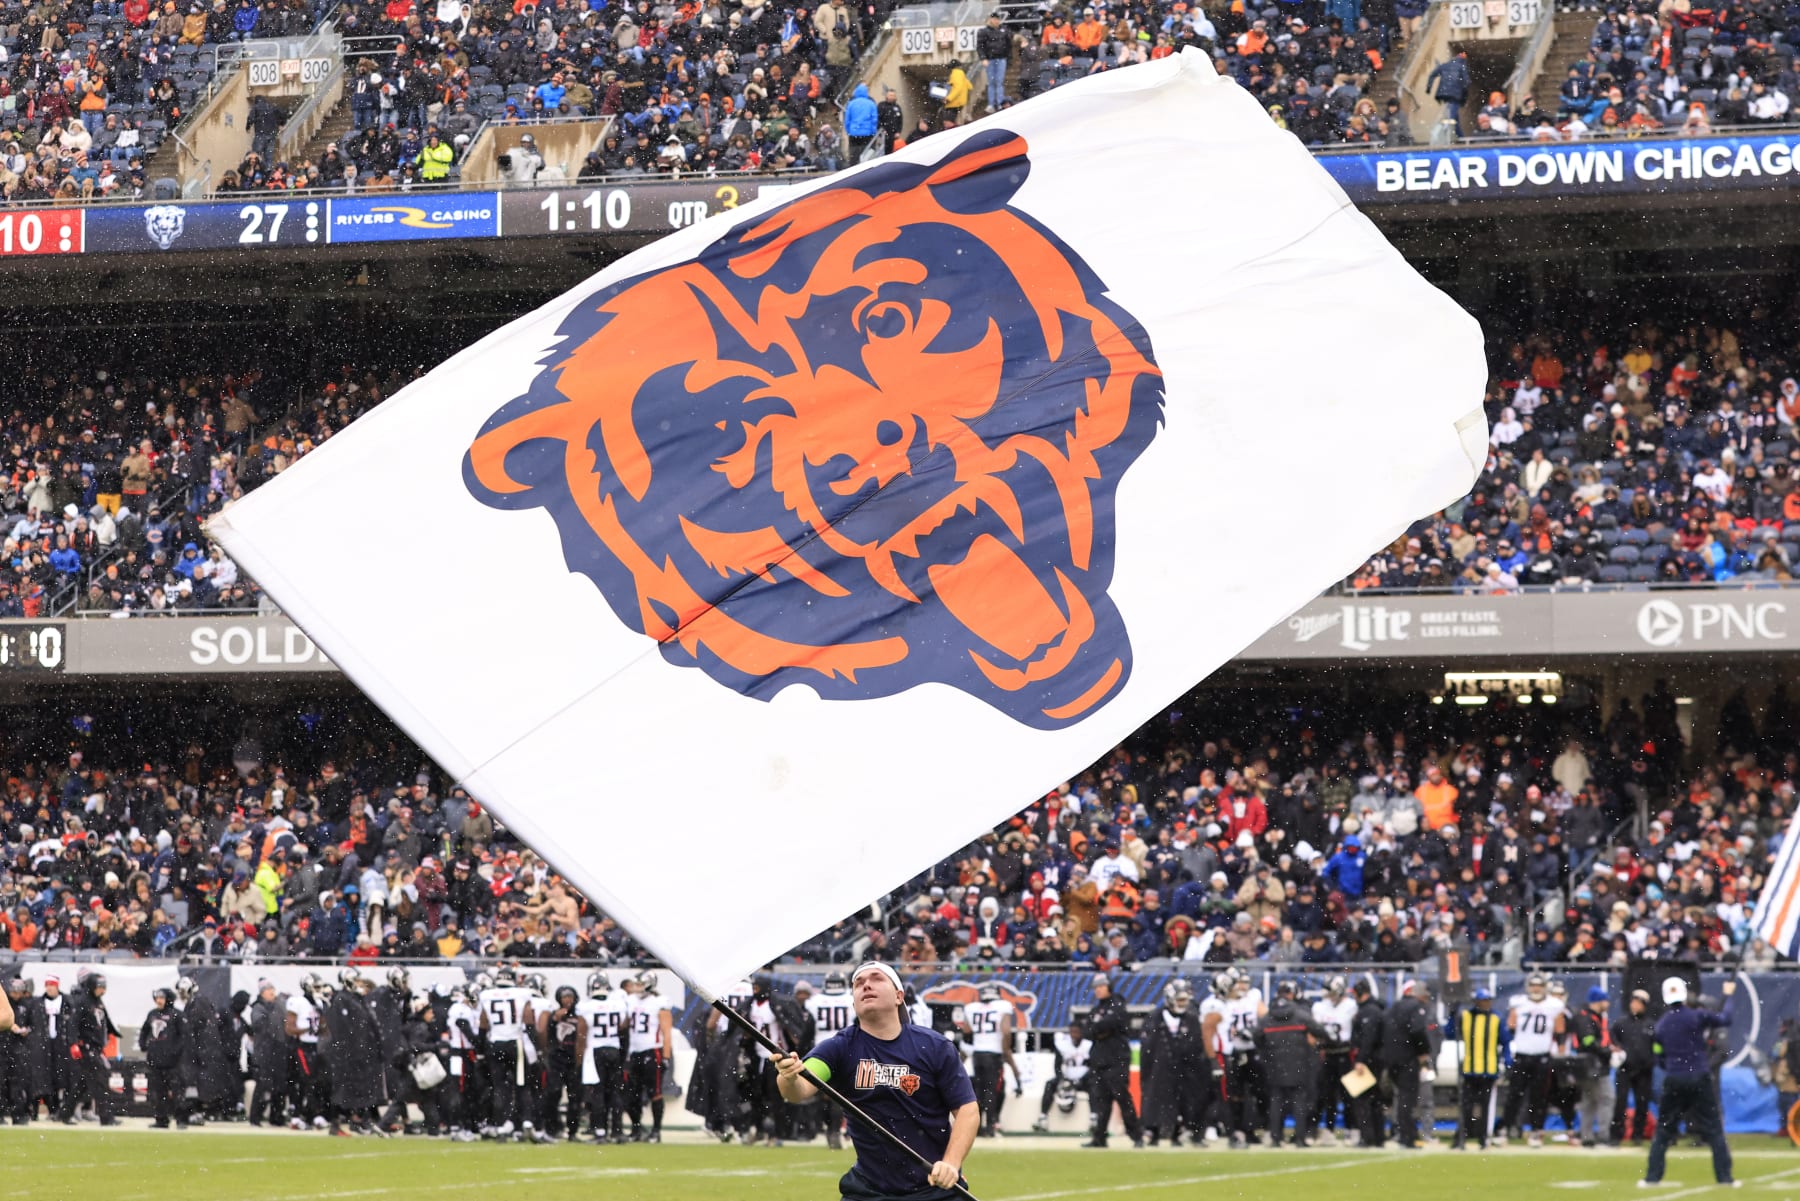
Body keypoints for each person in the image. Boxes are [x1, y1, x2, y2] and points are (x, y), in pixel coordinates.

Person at [773, 962, 978, 1201]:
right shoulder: (839, 1047)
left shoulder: (935, 1047)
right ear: (854, 1002)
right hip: (868, 1191)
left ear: (899, 996)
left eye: (877, 979)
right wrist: (787, 1076)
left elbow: (967, 1109)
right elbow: (797, 1090)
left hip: (936, 1187)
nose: (866, 985)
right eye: (858, 983)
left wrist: (951, 1163)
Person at [1642, 977, 1737, 1188]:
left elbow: (1659, 1057)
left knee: (1664, 1130)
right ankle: (1724, 1177)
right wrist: (1728, 995)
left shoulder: (1662, 1025)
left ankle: (1652, 1177)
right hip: (1699, 1075)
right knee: (1713, 1128)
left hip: (1675, 1077)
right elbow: (1725, 1019)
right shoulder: (1697, 1016)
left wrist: (1674, 1069)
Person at [1141, 978, 1209, 1146]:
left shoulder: (1191, 1019)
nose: (1183, 1004)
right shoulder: (1155, 1017)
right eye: (1180, 1000)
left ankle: (1184, 1133)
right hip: (1161, 1067)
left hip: (1185, 1068)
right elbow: (1148, 1045)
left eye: (1185, 1000)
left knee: (1187, 1101)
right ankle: (1153, 1131)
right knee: (1156, 1099)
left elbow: (1197, 1044)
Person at [1256, 980, 1325, 1147]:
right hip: (1298, 1063)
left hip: (1274, 1064)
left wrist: (1267, 1051)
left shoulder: (1269, 1016)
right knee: (1299, 1101)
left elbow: (1257, 1036)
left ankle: (1275, 1138)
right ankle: (1300, 1138)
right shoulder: (1300, 1014)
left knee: (1276, 1101)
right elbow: (1320, 1031)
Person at [1082, 973, 1143, 1147]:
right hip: (1099, 1060)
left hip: (1117, 1059)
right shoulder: (1096, 1009)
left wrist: (1097, 1030)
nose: (1099, 990)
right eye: (1096, 987)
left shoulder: (1118, 1004)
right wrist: (1099, 1030)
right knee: (1101, 1101)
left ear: (1109, 987)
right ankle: (1099, 1137)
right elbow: (1087, 1031)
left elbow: (1110, 1023)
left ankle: (1136, 1136)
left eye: (1102, 986)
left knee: (1122, 1097)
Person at [1505, 971, 1563, 1146]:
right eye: (1533, 985)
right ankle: (1508, 1128)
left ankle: (1536, 1131)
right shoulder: (1518, 1003)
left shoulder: (1554, 1005)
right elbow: (1511, 1026)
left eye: (1539, 985)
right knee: (1514, 1094)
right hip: (1522, 1054)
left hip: (1542, 1056)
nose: (1536, 988)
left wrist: (1558, 1053)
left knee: (1538, 1097)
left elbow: (1560, 1031)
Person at [804, 971, 856, 1149]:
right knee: (837, 1097)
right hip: (844, 1052)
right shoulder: (851, 1000)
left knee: (819, 1094)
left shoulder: (814, 1002)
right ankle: (833, 1131)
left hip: (821, 1052)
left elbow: (808, 1031)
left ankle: (821, 1128)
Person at [576, 971, 628, 1143]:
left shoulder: (586, 1006)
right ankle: (617, 1131)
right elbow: (624, 1025)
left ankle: (600, 1132)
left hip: (595, 1051)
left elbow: (581, 1035)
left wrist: (579, 1060)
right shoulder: (617, 1004)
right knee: (615, 1092)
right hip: (613, 1049)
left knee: (598, 1093)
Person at [59, 972, 117, 1126]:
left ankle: (65, 1113)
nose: (102, 990)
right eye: (99, 987)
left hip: (96, 1047)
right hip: (87, 1048)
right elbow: (73, 1023)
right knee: (100, 1082)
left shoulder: (98, 1002)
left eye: (104, 987)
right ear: (92, 986)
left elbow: (104, 1023)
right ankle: (107, 1118)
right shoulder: (82, 1001)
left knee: (82, 1085)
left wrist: (110, 1036)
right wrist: (73, 1043)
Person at [623, 969, 675, 1142]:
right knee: (632, 1094)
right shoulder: (629, 1000)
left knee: (655, 1093)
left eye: (639, 984)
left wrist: (666, 1056)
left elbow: (667, 1032)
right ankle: (636, 1129)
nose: (636, 987)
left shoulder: (659, 1002)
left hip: (653, 1051)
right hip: (633, 1052)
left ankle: (656, 1131)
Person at [959, 981, 1015, 1138]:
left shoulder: (972, 1008)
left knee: (978, 1091)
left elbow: (967, 1030)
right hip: (993, 1053)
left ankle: (975, 1127)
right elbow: (1006, 1031)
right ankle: (990, 1126)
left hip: (978, 1053)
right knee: (991, 1091)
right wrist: (1006, 1049)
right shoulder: (1003, 1006)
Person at [1381, 980, 1431, 1148]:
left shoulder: (1394, 1007)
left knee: (1400, 1098)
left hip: (1391, 1057)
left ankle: (1401, 1132)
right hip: (1407, 1057)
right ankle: (1407, 1136)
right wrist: (1423, 1051)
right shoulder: (1416, 1007)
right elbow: (1417, 1030)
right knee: (1407, 1099)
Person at [1454, 987, 1501, 1150]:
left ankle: (1483, 1139)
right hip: (1470, 1070)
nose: (1486, 1004)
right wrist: (1452, 1015)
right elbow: (1451, 1032)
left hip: (1488, 1071)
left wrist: (1506, 1061)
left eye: (1488, 1000)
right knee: (1466, 1107)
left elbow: (1505, 1040)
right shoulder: (1466, 1017)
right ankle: (1461, 1138)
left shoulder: (1495, 1018)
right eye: (1483, 1001)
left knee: (1485, 1108)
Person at [1569, 985, 1613, 1148]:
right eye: (1605, 1000)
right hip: (1593, 1065)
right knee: (1606, 1099)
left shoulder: (1588, 1016)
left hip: (1588, 1065)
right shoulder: (1587, 1018)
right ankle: (1602, 1136)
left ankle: (1587, 1136)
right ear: (1598, 1001)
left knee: (1589, 1101)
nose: (1607, 1004)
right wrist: (1606, 1052)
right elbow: (1587, 1041)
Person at [1610, 988, 1655, 1145]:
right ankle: (1616, 1135)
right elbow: (1612, 1039)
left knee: (1642, 1103)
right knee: (1620, 1102)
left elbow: (1656, 1046)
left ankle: (1638, 1135)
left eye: (1639, 1003)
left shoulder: (1651, 1025)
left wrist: (1651, 1060)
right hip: (1624, 1069)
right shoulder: (1621, 1023)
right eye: (1633, 1002)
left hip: (1644, 1071)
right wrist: (1617, 1050)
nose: (1635, 1006)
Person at [139, 988, 186, 1129]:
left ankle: (181, 1120)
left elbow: (184, 1037)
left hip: (172, 1063)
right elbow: (144, 1030)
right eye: (156, 997)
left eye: (161, 998)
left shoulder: (177, 1015)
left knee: (177, 1092)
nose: (158, 1001)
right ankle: (161, 1120)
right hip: (155, 1061)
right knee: (157, 1093)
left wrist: (174, 1052)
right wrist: (143, 1045)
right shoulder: (152, 1014)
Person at [1033, 1021, 1092, 1134]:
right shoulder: (1063, 1045)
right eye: (1072, 1032)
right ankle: (1043, 1117)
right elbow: (1057, 1065)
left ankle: (1094, 1118)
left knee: (1095, 1086)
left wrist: (1082, 1079)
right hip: (1067, 1078)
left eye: (1076, 1032)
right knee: (1049, 1084)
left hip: (1083, 1079)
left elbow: (1093, 1066)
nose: (1074, 1035)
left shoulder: (1088, 1045)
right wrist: (1062, 1079)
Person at [1350, 979, 1386, 1148]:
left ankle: (1368, 1137)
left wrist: (1361, 1060)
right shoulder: (1374, 1009)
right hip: (1375, 1060)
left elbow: (1367, 1039)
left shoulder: (1369, 1012)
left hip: (1369, 1062)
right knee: (1375, 1101)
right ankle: (1378, 1137)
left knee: (1363, 1100)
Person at [1426, 47, 1471, 131]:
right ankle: (1445, 125)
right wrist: (1464, 98)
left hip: (1443, 92)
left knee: (1454, 114)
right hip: (1455, 93)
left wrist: (1429, 88)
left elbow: (1432, 75)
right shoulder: (1462, 66)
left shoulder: (1445, 65)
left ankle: (1460, 136)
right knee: (1452, 111)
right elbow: (1466, 82)